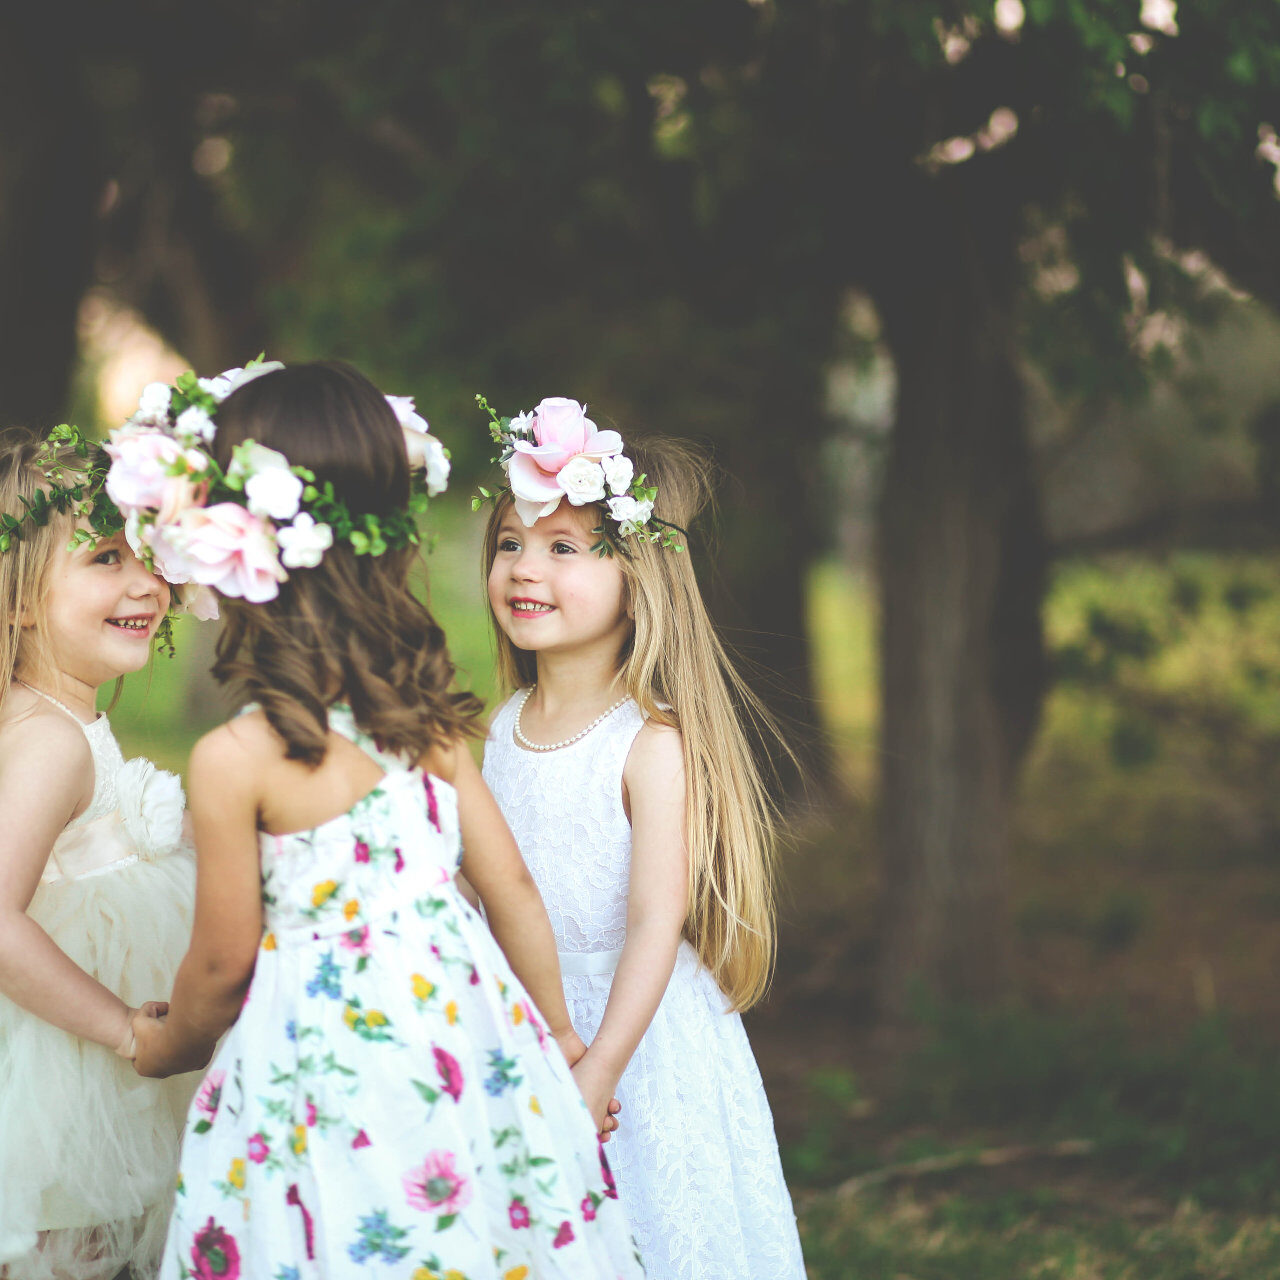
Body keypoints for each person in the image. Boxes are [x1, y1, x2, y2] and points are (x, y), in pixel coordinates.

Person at [126, 363, 644, 1280]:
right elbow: (511, 886)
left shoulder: (235, 760)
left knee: (336, 1233)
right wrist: (559, 1038)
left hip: (318, 1072)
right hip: (456, 1046)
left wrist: (170, 1042)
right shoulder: (426, 722)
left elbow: (220, 963)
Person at [479, 396, 807, 1278]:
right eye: (510, 543)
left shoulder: (648, 742)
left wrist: (598, 1073)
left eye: (562, 549)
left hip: (638, 1045)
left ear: (638, 579)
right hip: (534, 1029)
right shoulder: (502, 727)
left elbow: (656, 923)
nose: (524, 568)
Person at [0, 427, 199, 1280]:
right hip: (72, 1079)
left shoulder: (50, 717)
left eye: (151, 555)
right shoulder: (50, 741)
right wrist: (123, 1031)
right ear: (18, 601)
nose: (147, 584)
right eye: (107, 559)